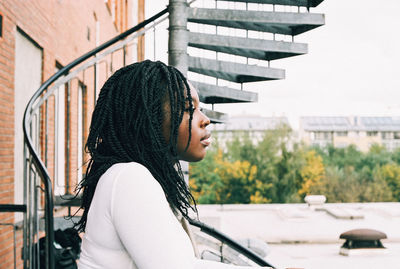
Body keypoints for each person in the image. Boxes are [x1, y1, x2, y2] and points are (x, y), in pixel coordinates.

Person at [76, 60, 263, 269]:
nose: (205, 120)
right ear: (149, 117)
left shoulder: (139, 178)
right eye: (188, 109)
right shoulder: (129, 177)